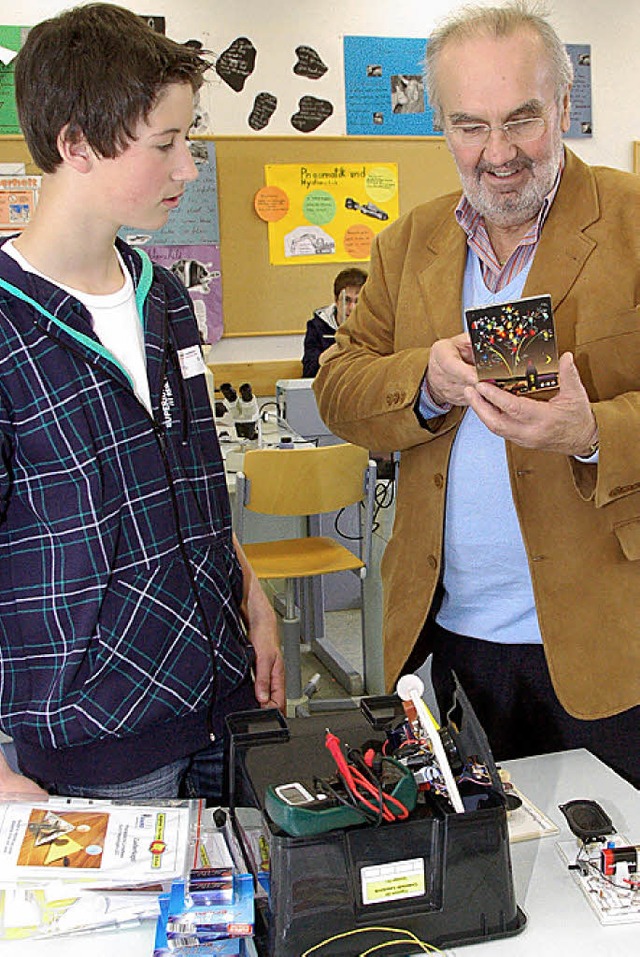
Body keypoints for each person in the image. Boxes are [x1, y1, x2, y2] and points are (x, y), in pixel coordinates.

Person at [315, 2, 640, 785]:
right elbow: (339, 384)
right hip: (448, 644)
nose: (498, 153)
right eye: (470, 125)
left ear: (565, 106)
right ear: (439, 124)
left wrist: (591, 430)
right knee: (483, 885)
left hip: (610, 648)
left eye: (522, 119)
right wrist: (422, 381)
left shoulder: (632, 224)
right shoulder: (406, 245)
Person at [0, 3, 284, 802]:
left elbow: (191, 487)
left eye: (187, 140)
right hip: (96, 750)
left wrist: (251, 594)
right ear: (75, 145)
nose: (188, 168)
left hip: (226, 708)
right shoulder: (7, 321)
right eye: (166, 144)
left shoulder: (164, 299)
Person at [301, 266, 367, 377]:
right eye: (347, 300)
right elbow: (308, 372)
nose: (352, 308)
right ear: (336, 300)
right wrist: (333, 351)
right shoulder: (317, 327)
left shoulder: (374, 328)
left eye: (358, 301)